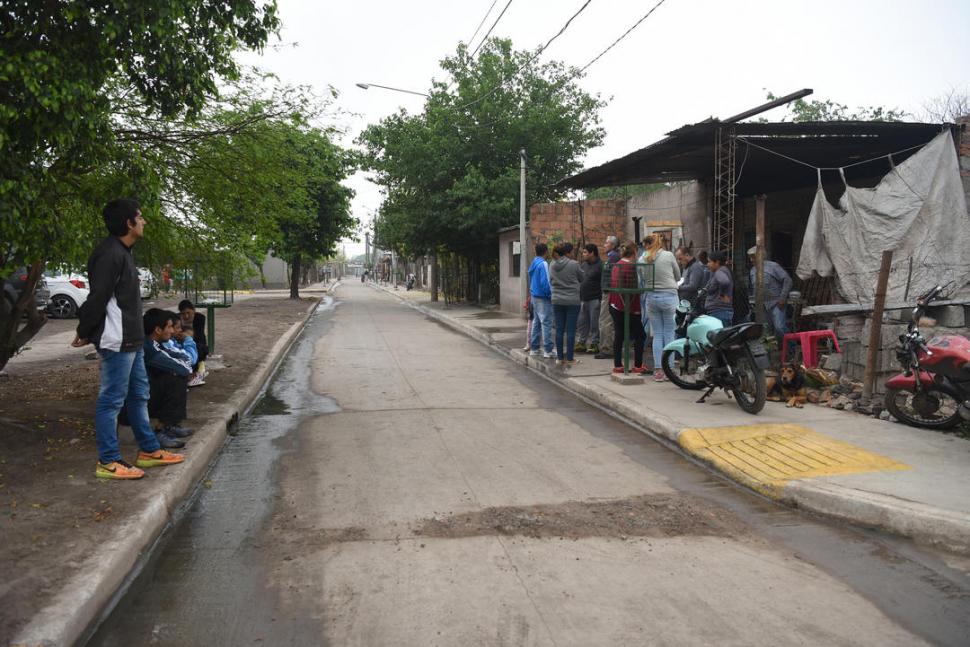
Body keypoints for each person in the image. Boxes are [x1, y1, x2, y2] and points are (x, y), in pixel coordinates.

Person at [73, 199, 184, 479]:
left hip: (132, 340)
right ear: (128, 223)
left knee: (138, 396)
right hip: (117, 341)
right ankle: (108, 461)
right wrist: (85, 330)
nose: (144, 221)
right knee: (111, 400)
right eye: (140, 217)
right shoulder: (109, 254)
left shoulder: (123, 252)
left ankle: (148, 449)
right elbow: (98, 297)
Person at [143, 309, 194, 445]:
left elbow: (185, 358)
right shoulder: (150, 348)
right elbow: (184, 368)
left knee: (175, 375)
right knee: (176, 379)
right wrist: (182, 368)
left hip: (148, 394)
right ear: (158, 330)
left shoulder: (157, 344)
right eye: (170, 327)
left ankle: (170, 425)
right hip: (139, 400)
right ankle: (160, 431)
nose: (172, 331)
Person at [642, 234, 681, 382]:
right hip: (669, 297)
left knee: (657, 334)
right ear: (660, 243)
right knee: (669, 334)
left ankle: (658, 370)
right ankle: (669, 369)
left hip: (651, 298)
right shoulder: (669, 255)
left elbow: (642, 277)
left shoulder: (643, 258)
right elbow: (677, 276)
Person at [608, 242, 648, 374]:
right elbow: (631, 289)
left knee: (619, 335)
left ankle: (618, 365)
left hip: (614, 304)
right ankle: (637, 365)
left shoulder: (617, 264)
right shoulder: (630, 266)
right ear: (635, 252)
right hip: (628, 307)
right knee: (640, 335)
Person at [747, 246, 793, 343]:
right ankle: (774, 352)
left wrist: (782, 298)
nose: (751, 260)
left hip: (776, 302)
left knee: (779, 327)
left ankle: (790, 349)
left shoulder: (773, 266)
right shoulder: (752, 270)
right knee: (766, 331)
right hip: (762, 305)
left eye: (753, 257)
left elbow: (787, 280)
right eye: (750, 257)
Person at [549, 242, 584, 365]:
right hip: (572, 301)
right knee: (570, 331)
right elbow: (582, 278)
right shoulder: (574, 264)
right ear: (567, 252)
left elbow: (551, 280)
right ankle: (569, 358)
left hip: (557, 300)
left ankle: (559, 358)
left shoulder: (552, 265)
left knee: (559, 330)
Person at [595, 235, 622, 360]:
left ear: (612, 245)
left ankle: (607, 348)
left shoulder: (614, 257)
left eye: (606, 243)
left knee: (605, 321)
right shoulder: (612, 257)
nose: (604, 245)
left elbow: (611, 275)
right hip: (608, 291)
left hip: (609, 291)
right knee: (605, 320)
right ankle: (606, 347)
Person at [527, 243, 555, 358]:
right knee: (546, 322)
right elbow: (546, 282)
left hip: (534, 295)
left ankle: (534, 348)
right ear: (546, 251)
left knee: (536, 322)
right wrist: (550, 295)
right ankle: (548, 350)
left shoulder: (534, 262)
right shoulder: (543, 263)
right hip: (543, 297)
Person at [576, 244, 602, 354]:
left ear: (592, 253)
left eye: (585, 252)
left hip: (595, 299)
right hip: (583, 298)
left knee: (594, 323)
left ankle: (595, 343)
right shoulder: (583, 265)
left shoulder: (601, 265)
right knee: (582, 322)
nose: (583, 254)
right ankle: (582, 342)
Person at [178, 299, 208, 386]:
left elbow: (200, 337)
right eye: (183, 313)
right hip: (180, 345)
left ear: (194, 311)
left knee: (203, 348)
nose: (186, 316)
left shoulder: (199, 318)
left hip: (193, 343)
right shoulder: (177, 320)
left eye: (189, 312)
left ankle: (199, 369)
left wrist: (188, 337)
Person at [704, 250, 734, 326]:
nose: (708, 264)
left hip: (719, 312)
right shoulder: (719, 271)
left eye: (709, 262)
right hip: (720, 312)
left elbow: (724, 282)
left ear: (717, 262)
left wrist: (722, 295)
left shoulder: (719, 271)